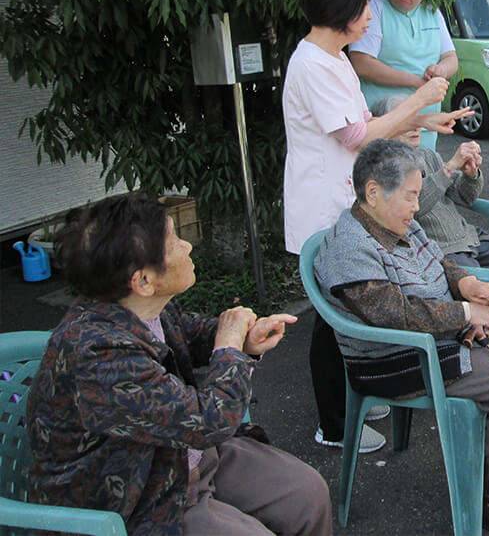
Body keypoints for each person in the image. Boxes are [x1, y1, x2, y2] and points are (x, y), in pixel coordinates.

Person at [26, 193, 332, 536]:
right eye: (174, 242)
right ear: (143, 281)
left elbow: (195, 336)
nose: (187, 247)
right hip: (139, 496)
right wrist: (230, 349)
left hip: (187, 457)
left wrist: (242, 338)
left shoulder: (143, 308)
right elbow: (212, 420)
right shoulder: (97, 354)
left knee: (307, 495)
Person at [316, 139, 489, 536]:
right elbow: (396, 315)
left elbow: (439, 261)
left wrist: (465, 283)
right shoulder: (350, 248)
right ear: (373, 193)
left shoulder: (400, 222)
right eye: (411, 196)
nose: (417, 206)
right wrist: (467, 314)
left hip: (441, 334)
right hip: (396, 358)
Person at [283, 0, 471, 455]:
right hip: (323, 203)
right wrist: (421, 97)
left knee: (345, 307)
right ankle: (335, 424)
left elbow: (365, 116)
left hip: (341, 196)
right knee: (330, 317)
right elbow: (358, 135)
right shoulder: (312, 62)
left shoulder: (334, 57)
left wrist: (426, 121)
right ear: (342, 8)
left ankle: (359, 393)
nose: (371, 16)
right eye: (365, 6)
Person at [370, 95, 489, 312]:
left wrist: (471, 174)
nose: (416, 126)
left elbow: (466, 197)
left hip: (469, 237)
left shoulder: (427, 155)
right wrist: (449, 168)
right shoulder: (384, 169)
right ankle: (488, 339)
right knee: (482, 288)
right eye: (406, 120)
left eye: (417, 118)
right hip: (441, 250)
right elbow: (414, 208)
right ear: (386, 126)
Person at [348, 0, 458, 149]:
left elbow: (451, 58)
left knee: (425, 178)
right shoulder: (373, 9)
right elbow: (361, 62)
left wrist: (441, 70)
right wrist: (416, 82)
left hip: (426, 128)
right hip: (384, 128)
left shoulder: (432, 12)